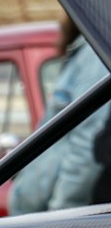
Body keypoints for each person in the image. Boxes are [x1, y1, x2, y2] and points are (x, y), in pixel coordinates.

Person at [8, 14, 106, 215]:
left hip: (54, 214)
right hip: (44, 209)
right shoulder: (86, 50)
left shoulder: (94, 55)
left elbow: (86, 144)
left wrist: (62, 215)